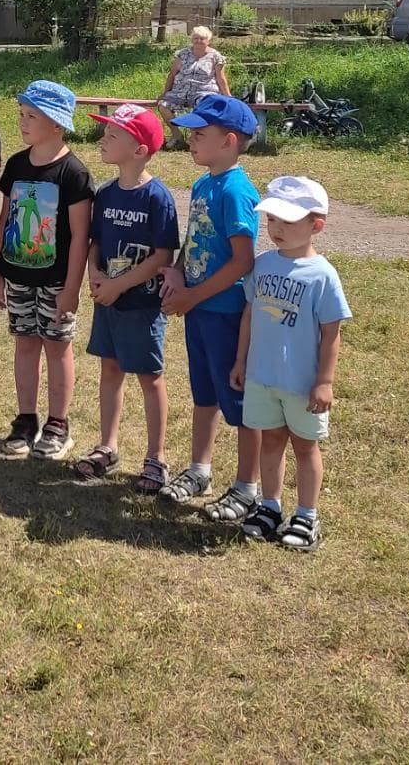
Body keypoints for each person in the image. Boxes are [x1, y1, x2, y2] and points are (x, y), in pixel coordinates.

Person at [157, 92, 263, 525]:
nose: (189, 141)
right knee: (204, 394)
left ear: (229, 141)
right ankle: (200, 469)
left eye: (199, 134)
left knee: (238, 403)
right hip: (198, 309)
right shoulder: (203, 184)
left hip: (224, 312)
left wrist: (193, 297)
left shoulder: (237, 191)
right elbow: (193, 240)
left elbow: (243, 262)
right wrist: (180, 274)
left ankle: (247, 488)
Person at [232, 176, 351, 551]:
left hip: (301, 382)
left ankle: (307, 515)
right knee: (271, 441)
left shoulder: (323, 276)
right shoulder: (263, 265)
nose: (276, 229)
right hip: (262, 376)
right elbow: (249, 315)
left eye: (287, 221)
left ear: (316, 225)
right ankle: (269, 506)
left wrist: (324, 381)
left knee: (305, 446)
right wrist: (241, 361)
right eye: (271, 220)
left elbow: (332, 333)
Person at [74, 104, 178, 487]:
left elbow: (163, 256)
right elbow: (95, 242)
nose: (104, 139)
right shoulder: (105, 193)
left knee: (150, 377)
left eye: (113, 135)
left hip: (142, 306)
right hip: (109, 302)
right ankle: (108, 445)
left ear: (139, 150)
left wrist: (121, 284)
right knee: (110, 370)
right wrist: (96, 275)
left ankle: (156, 457)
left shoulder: (157, 197)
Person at [0, 80, 94, 461]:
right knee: (24, 344)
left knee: (57, 347)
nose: (22, 122)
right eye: (21, 114)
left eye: (31, 116)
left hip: (56, 281)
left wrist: (72, 288)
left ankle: (58, 424)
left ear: (56, 123)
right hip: (18, 274)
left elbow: (82, 235)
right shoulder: (17, 164)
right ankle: (25, 419)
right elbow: (5, 219)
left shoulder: (74, 173)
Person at [156, 26, 231, 146]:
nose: (199, 41)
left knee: (204, 107)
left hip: (204, 92)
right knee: (163, 105)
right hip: (180, 91)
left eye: (202, 38)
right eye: (196, 38)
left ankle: (195, 138)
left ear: (208, 40)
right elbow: (172, 75)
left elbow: (221, 78)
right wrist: (165, 93)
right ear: (192, 39)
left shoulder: (215, 56)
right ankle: (177, 134)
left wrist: (228, 96)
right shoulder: (183, 54)